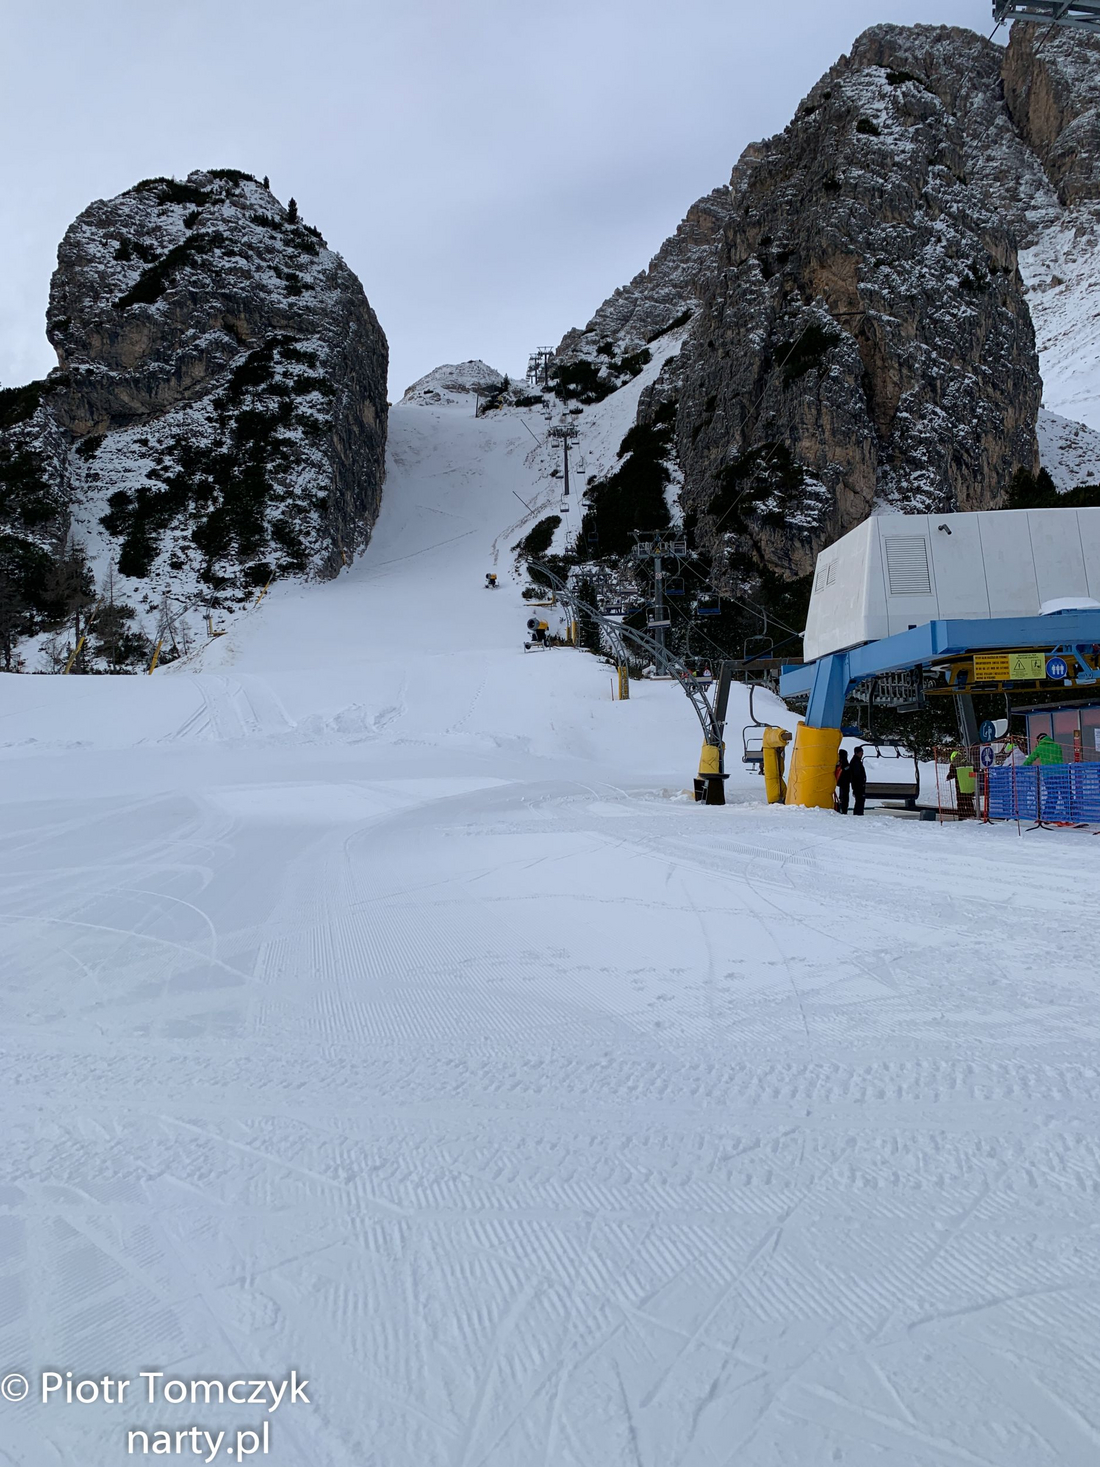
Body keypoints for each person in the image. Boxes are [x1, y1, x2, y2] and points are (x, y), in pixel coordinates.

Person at [1024, 731, 1067, 821]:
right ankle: (1073, 814)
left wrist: (1021, 768)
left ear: (1039, 740)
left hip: (1049, 775)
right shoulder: (1057, 746)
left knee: (1052, 794)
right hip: (1062, 773)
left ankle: (1048, 815)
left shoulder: (1040, 748)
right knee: (1066, 794)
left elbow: (1030, 759)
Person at [947, 748, 976, 819]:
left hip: (960, 786)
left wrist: (948, 777)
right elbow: (974, 772)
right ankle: (971, 813)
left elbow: (952, 774)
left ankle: (962, 815)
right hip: (969, 785)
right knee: (969, 799)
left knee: (961, 801)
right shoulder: (968, 762)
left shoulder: (954, 765)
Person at [849, 745, 867, 815]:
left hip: (858, 784)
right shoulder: (855, 762)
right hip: (858, 785)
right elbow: (857, 775)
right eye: (861, 753)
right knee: (860, 800)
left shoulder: (856, 761)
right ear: (857, 753)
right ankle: (858, 813)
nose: (862, 754)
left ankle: (858, 813)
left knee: (860, 800)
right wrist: (861, 782)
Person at [834, 748, 851, 814]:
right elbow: (847, 772)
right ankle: (843, 810)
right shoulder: (844, 764)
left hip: (842, 783)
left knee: (843, 797)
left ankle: (842, 809)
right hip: (844, 783)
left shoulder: (839, 764)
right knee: (844, 798)